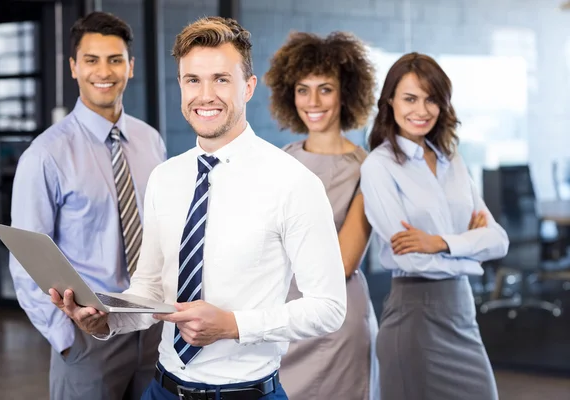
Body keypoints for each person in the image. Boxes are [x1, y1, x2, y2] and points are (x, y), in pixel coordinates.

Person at [50, 16, 347, 400]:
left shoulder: (293, 182)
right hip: (163, 389)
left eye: (221, 79)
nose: (205, 95)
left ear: (249, 87)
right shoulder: (165, 177)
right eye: (193, 80)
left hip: (247, 393)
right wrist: (107, 321)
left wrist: (232, 325)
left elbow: (329, 308)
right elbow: (151, 288)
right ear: (180, 86)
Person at [8, 11, 166, 400]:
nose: (104, 71)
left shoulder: (151, 141)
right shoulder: (46, 155)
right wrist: (67, 339)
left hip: (153, 329)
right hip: (89, 335)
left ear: (130, 67)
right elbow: (26, 260)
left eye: (115, 60)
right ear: (74, 67)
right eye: (92, 60)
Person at [360, 52, 509, 400]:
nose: (421, 110)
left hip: (462, 313)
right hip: (414, 317)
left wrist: (440, 242)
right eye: (410, 98)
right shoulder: (379, 167)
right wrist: (472, 255)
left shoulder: (451, 159)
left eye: (431, 99)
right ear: (390, 102)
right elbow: (411, 259)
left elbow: (498, 240)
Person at [264, 31, 380, 400]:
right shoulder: (279, 161)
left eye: (325, 89)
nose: (313, 101)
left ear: (346, 92)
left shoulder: (368, 168)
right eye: (302, 89)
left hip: (338, 321)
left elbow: (343, 263)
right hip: (282, 322)